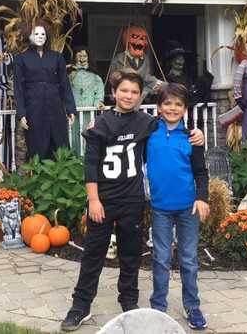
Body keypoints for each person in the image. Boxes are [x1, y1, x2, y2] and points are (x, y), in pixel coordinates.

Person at [61, 70, 204, 331]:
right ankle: (80, 306)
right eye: (124, 90)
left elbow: (171, 129)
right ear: (114, 92)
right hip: (103, 200)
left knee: (130, 256)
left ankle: (128, 301)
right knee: (93, 254)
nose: (129, 96)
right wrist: (93, 199)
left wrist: (196, 135)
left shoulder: (146, 123)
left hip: (132, 199)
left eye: (135, 92)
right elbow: (90, 165)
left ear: (141, 96)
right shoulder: (100, 124)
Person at [147, 83, 209, 330]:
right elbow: (122, 128)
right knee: (161, 257)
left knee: (188, 259)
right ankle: (158, 307)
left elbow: (201, 173)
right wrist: (95, 127)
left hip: (187, 208)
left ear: (185, 108)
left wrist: (202, 197)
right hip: (160, 206)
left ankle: (192, 306)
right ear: (159, 107)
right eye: (167, 103)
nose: (172, 108)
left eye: (178, 104)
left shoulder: (192, 137)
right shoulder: (149, 131)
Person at [14, 20, 76, 160]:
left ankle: (62, 179)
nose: (40, 36)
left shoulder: (57, 57)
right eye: (36, 33)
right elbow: (18, 88)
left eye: (43, 33)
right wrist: (21, 113)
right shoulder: (21, 59)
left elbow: (65, 84)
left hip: (56, 108)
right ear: (29, 36)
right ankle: (39, 180)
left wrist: (71, 109)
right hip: (34, 109)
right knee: (37, 148)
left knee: (60, 146)